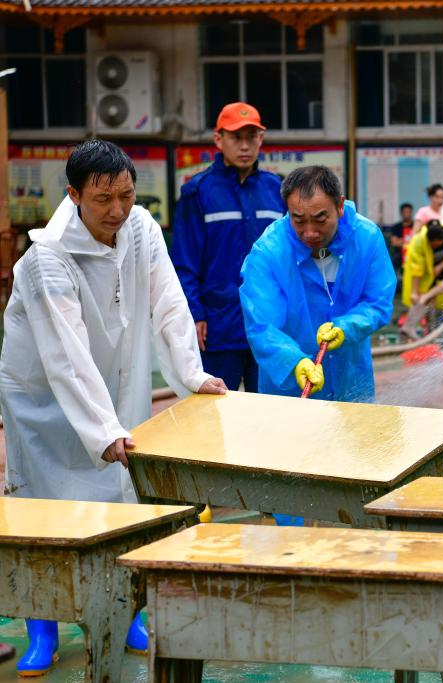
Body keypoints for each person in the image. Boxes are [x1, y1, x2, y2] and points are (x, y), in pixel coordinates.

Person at [0, 140, 227, 675]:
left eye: (126, 195)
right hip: (42, 398)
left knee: (117, 506)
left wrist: (192, 376)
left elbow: (169, 301)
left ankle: (124, 613)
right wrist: (102, 429)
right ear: (74, 195)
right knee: (45, 511)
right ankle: (43, 626)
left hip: (111, 379)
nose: (117, 211)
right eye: (103, 200)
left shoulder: (141, 229)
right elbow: (64, 354)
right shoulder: (45, 259)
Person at [240, 165, 394, 402]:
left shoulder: (366, 238)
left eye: (320, 219)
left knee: (355, 437)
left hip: (352, 380)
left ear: (340, 205)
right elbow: (261, 325)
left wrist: (347, 327)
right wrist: (295, 362)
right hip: (290, 391)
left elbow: (378, 301)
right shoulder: (269, 252)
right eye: (299, 220)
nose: (310, 232)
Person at [170, 102, 285, 392]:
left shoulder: (278, 191)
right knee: (218, 416)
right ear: (219, 139)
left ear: (261, 138)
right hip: (218, 328)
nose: (245, 145)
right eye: (236, 137)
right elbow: (184, 263)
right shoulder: (197, 193)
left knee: (271, 414)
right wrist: (195, 314)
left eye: (251, 137)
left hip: (270, 325)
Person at [400, 220, 443, 339]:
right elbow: (417, 268)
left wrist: (440, 266)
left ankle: (429, 334)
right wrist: (414, 292)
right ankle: (414, 329)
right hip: (428, 275)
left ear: (441, 239)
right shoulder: (420, 241)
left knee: (432, 296)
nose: (434, 247)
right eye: (431, 244)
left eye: (436, 244)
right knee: (422, 299)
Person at [385, 202, 414, 276]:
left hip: (413, 252)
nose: (407, 214)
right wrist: (407, 241)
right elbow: (394, 243)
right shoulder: (396, 227)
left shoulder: (415, 226)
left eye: (409, 212)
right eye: (405, 212)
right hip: (399, 253)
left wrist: (401, 240)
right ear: (401, 213)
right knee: (391, 264)